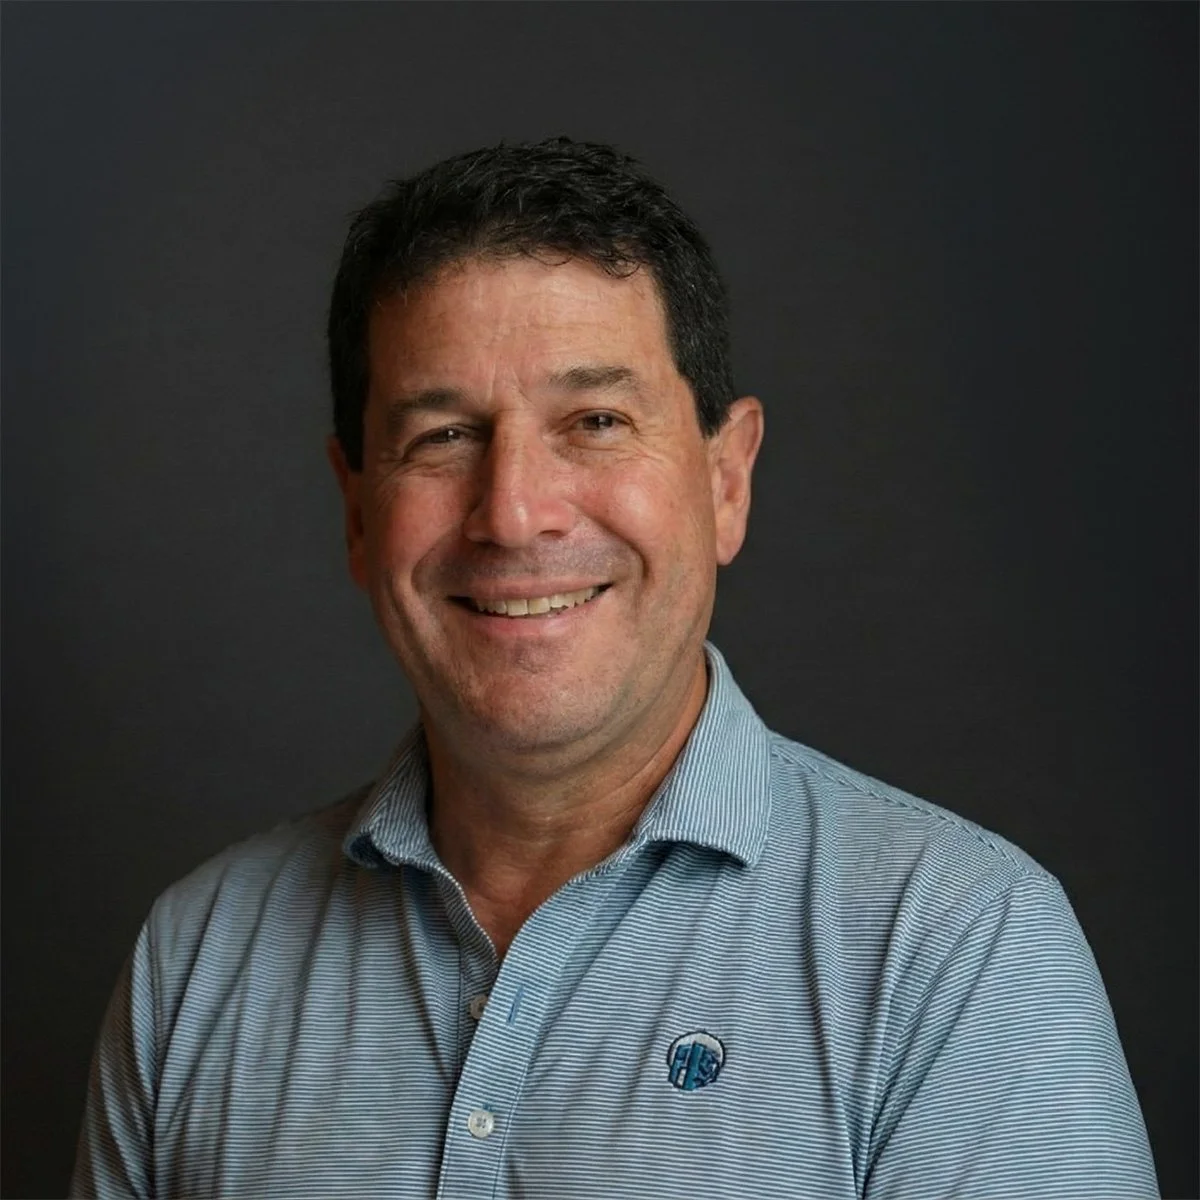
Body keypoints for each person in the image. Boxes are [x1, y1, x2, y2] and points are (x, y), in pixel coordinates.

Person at [71, 137, 1158, 1200]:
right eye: (444, 435)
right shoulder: (200, 958)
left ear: (726, 481)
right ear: (357, 510)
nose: (513, 512)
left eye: (594, 420)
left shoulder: (957, 949)